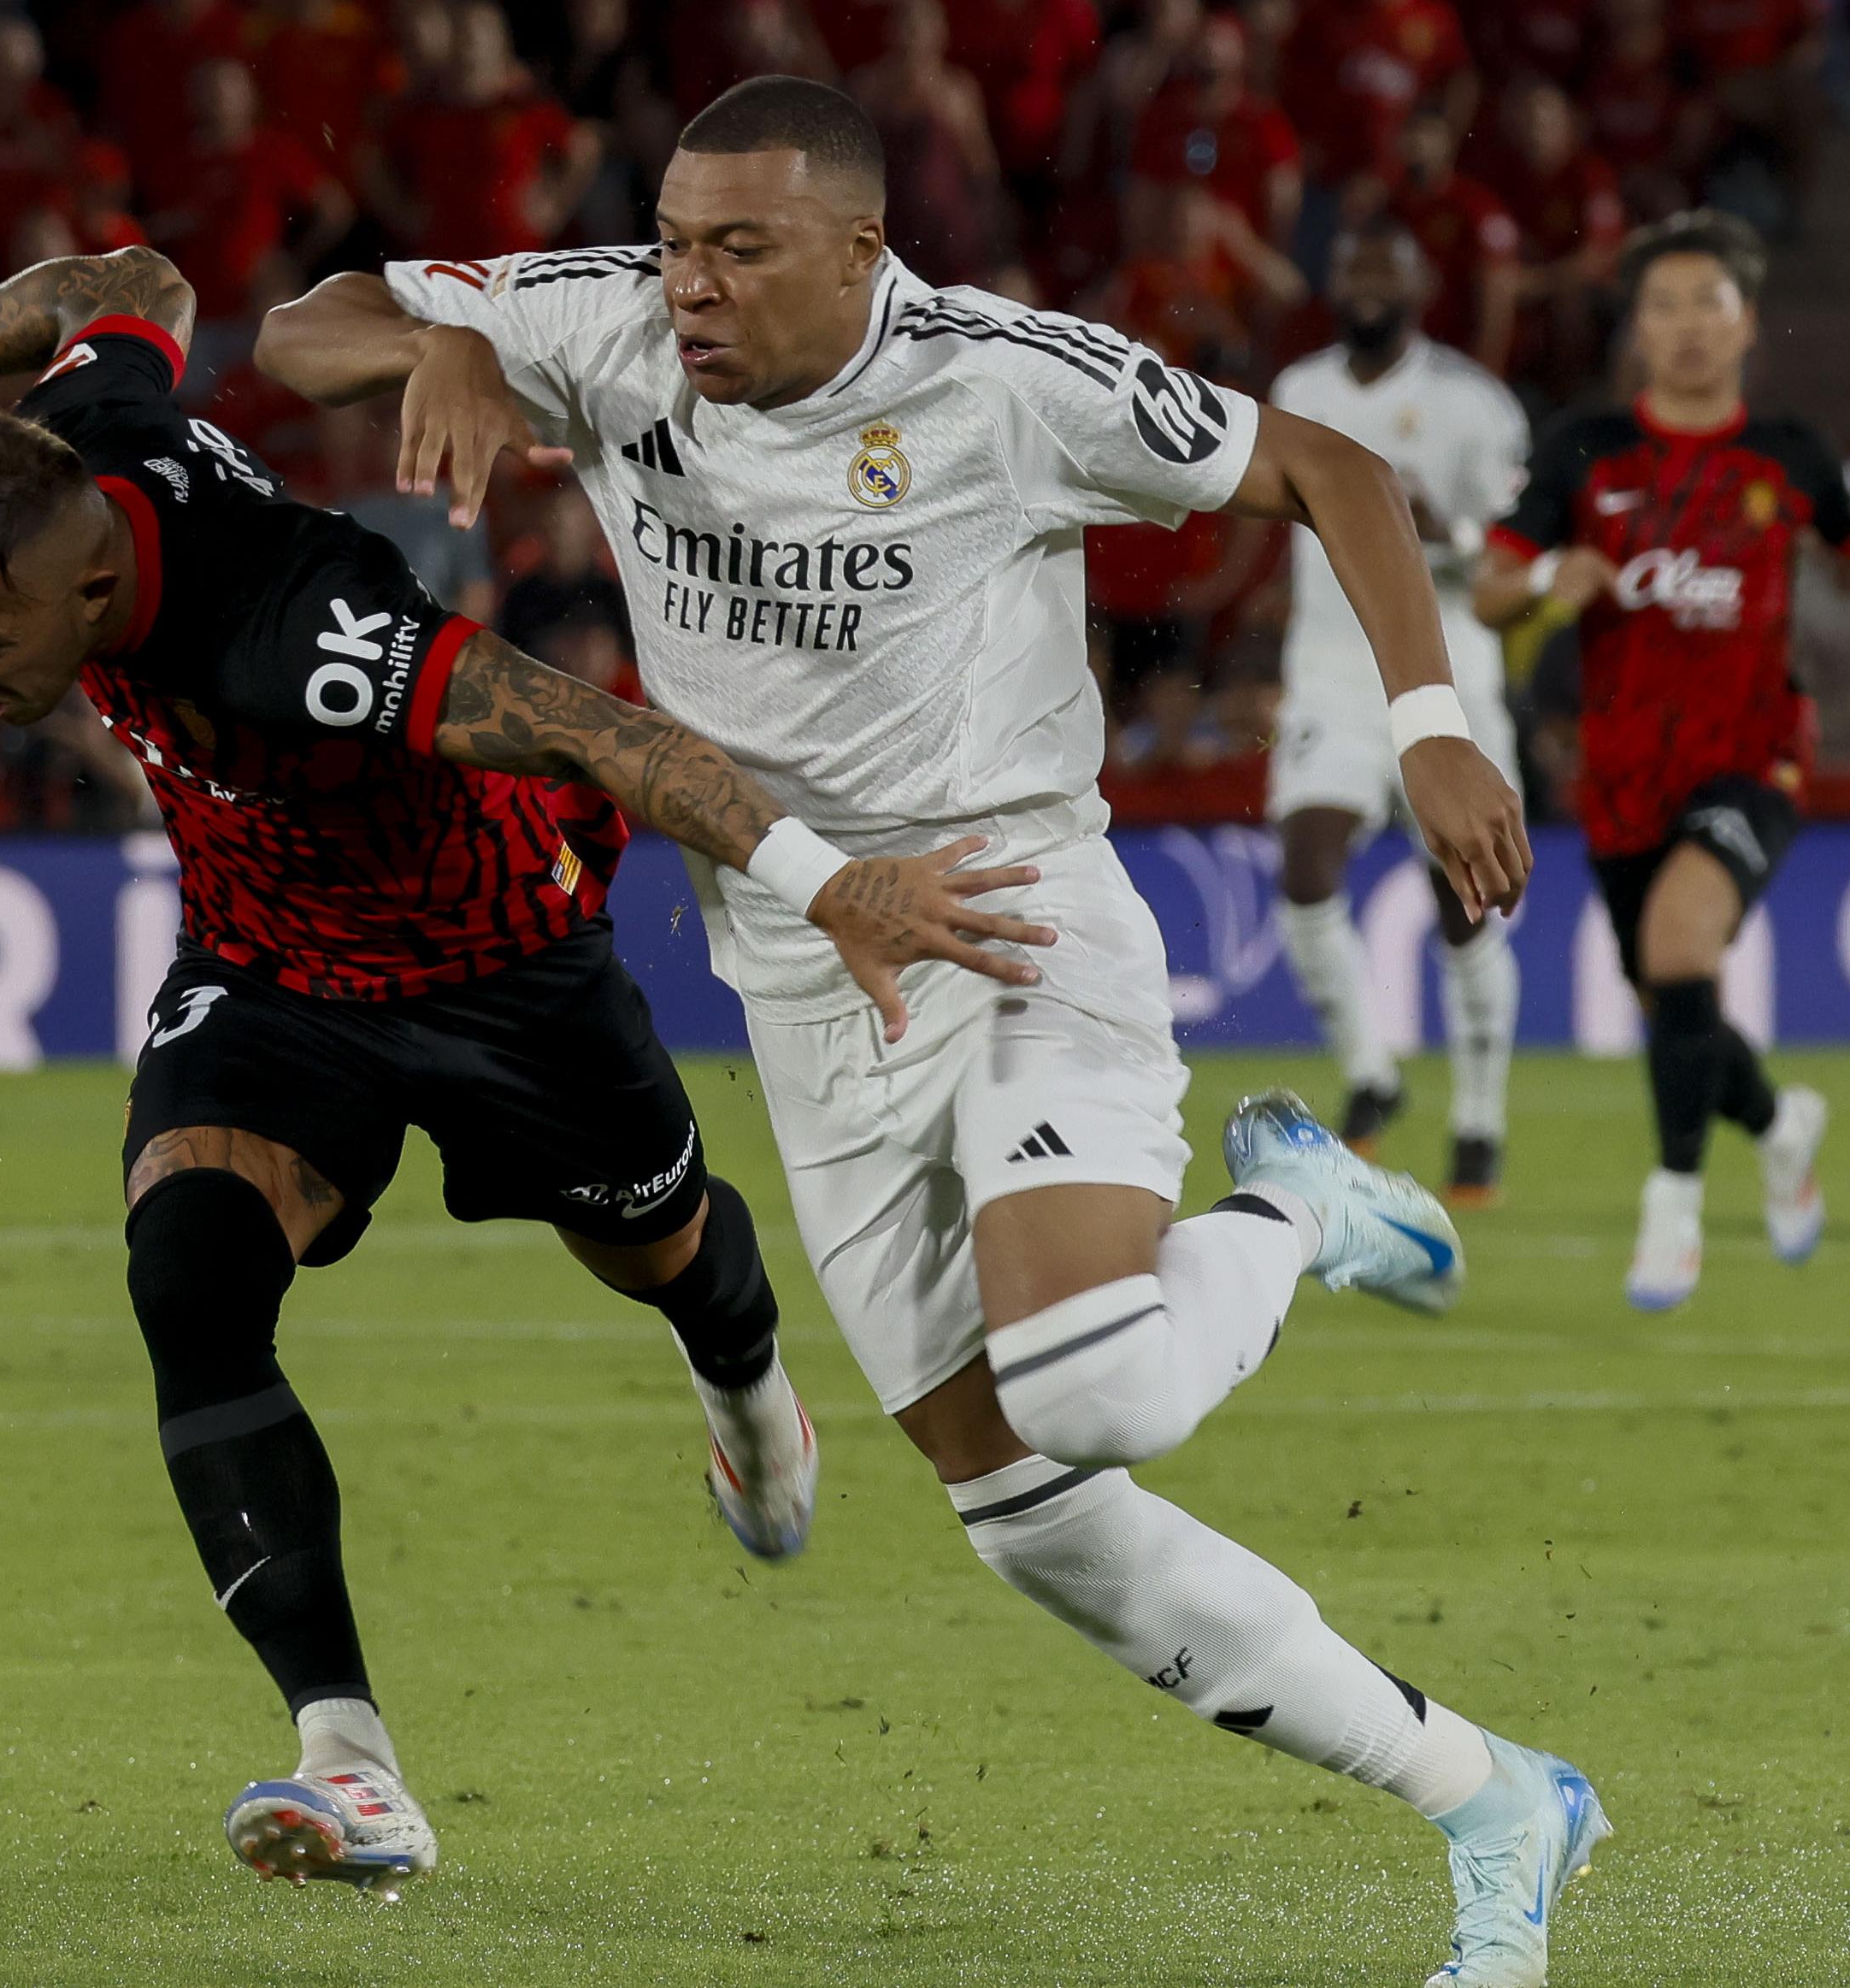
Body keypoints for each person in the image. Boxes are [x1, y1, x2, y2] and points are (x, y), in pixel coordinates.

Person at [255, 76, 1606, 1985]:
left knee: (1094, 1388)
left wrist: (1433, 724)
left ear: (862, 251)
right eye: (672, 243)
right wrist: (456, 333)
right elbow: (296, 328)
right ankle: (1494, 1797)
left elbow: (1333, 471)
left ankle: (1290, 1209)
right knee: (1027, 1516)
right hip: (802, 968)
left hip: (1009, 920)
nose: (690, 288)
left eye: (740, 249)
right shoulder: (603, 325)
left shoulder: (1006, 382)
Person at [0, 242, 1060, 1897]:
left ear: (90, 591)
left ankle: (743, 1384)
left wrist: (835, 888)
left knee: (671, 1260)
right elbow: (135, 274)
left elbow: (605, 736)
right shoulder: (82, 445)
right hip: (274, 971)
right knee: (189, 1277)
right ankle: (349, 1761)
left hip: (503, 969)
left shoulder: (299, 630)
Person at [1472, 208, 1835, 1311]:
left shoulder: (1790, 459)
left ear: (1744, 325)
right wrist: (1544, 586)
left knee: (1680, 942)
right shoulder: (1585, 449)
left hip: (1755, 760)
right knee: (1670, 995)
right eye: (1662, 306)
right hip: (1622, 778)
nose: (1684, 326)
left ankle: (1670, 1207)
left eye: (1705, 304)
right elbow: (1489, 591)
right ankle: (1781, 1123)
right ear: (1635, 328)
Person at [1265, 215, 1530, 1197]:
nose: (1365, 281)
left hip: (1447, 671)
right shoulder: (1297, 392)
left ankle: (1477, 1121)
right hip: (1330, 676)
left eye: (1385, 264)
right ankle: (1372, 1078)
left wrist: (1444, 528)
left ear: (1421, 285)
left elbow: (1515, 553)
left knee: (1462, 908)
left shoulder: (1473, 405)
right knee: (1304, 871)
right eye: (1350, 262)